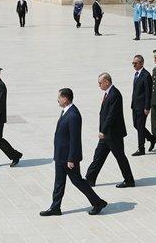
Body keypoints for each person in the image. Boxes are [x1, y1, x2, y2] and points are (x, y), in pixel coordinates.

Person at [40, 88, 107, 216]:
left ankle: (98, 202)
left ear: (65, 99)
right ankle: (55, 207)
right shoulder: (66, 111)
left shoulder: (73, 115)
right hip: (61, 156)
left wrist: (71, 158)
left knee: (78, 181)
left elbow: (75, 139)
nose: (57, 100)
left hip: (68, 158)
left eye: (59, 97)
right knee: (59, 182)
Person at [85, 72, 135, 189]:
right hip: (106, 134)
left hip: (113, 134)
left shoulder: (115, 94)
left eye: (100, 83)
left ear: (107, 82)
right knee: (98, 156)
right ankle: (89, 179)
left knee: (120, 157)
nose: (99, 85)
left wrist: (103, 130)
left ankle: (129, 180)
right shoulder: (108, 94)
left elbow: (111, 115)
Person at [128, 54, 156, 155]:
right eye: (133, 63)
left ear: (141, 63)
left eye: (135, 63)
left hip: (142, 107)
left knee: (140, 127)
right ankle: (152, 138)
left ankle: (141, 148)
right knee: (136, 125)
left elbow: (148, 92)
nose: (134, 65)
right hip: (135, 105)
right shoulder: (136, 74)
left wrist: (147, 107)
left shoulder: (146, 75)